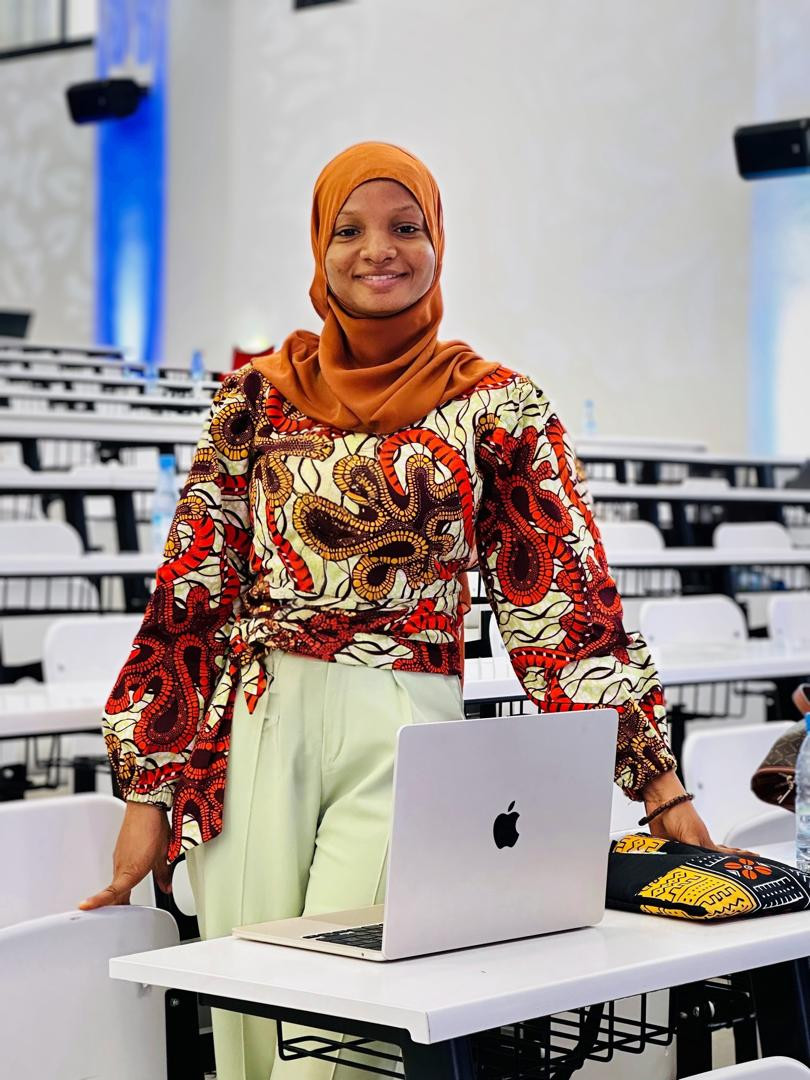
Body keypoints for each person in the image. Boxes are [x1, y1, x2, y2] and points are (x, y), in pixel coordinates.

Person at [81, 142, 724, 1080]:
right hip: (257, 721)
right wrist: (148, 789)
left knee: (344, 1045)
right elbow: (191, 595)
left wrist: (657, 782)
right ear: (319, 247)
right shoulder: (254, 398)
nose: (377, 249)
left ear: (438, 242)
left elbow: (564, 605)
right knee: (250, 1033)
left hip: (407, 730)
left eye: (405, 226)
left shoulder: (496, 406)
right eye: (349, 229)